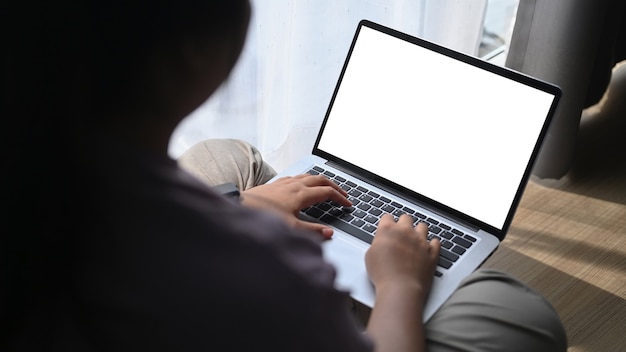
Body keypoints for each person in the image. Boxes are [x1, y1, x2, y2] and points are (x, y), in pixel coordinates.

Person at [2, 1, 567, 351]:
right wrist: (398, 287)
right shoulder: (268, 274)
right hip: (265, 307)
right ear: (188, 57)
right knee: (519, 313)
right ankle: (363, 304)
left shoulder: (45, 159)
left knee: (226, 157)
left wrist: (237, 207)